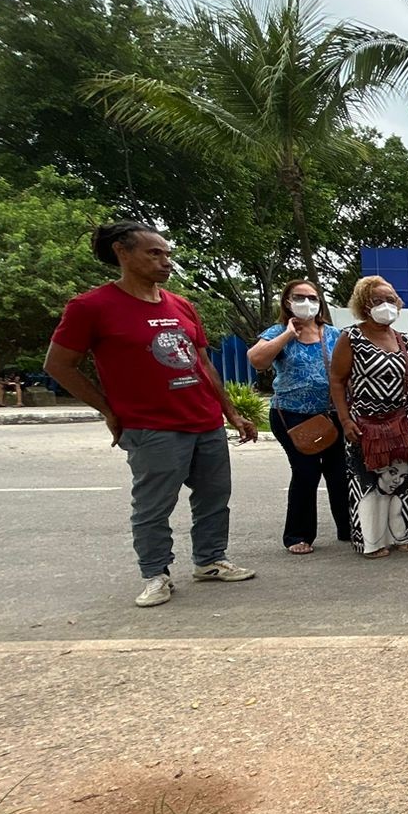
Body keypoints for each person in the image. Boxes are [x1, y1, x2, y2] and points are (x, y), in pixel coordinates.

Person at [44, 220, 258, 607]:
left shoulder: (180, 304)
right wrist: (108, 410)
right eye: (154, 253)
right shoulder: (90, 307)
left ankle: (210, 560)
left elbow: (202, 363)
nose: (165, 262)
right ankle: (156, 574)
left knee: (214, 497)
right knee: (154, 506)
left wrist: (230, 412)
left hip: (204, 420)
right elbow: (59, 366)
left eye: (167, 254)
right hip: (152, 426)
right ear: (122, 253)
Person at [246, 279, 350, 554]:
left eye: (312, 298)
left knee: (339, 474)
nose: (307, 303)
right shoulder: (277, 331)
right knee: (306, 473)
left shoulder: (333, 334)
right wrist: (287, 335)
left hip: (330, 414)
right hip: (291, 415)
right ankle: (297, 534)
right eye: (300, 297)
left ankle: (348, 528)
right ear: (287, 302)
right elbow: (257, 360)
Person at [329, 276, 408, 557]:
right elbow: (337, 380)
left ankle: (403, 533)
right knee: (367, 482)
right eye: (377, 300)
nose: (386, 305)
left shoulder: (404, 340)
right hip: (364, 422)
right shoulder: (351, 338)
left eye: (390, 299)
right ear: (364, 305)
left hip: (402, 420)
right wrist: (346, 420)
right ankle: (371, 541)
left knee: (403, 479)